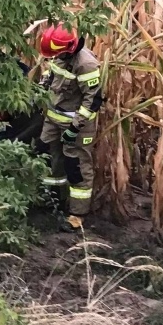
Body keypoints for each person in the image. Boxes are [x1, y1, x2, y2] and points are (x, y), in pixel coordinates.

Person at [35, 24, 103, 230]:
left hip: (76, 124)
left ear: (68, 49)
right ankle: (50, 200)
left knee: (77, 166)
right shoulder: (58, 55)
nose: (53, 58)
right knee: (46, 156)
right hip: (53, 118)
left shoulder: (86, 65)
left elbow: (93, 100)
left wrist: (74, 128)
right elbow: (51, 78)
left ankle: (77, 214)